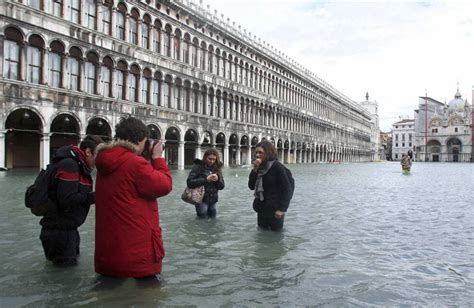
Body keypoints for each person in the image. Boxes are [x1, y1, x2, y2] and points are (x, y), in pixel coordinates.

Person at [94, 117, 172, 282]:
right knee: (149, 296)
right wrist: (157, 158)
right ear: (139, 139)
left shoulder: (105, 161)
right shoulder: (134, 163)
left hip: (109, 251)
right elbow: (164, 185)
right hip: (137, 252)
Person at [39, 134, 104, 266]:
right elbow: (66, 199)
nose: (99, 161)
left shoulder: (76, 165)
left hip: (67, 231)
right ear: (88, 152)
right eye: (99, 156)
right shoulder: (70, 165)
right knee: (63, 276)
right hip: (59, 234)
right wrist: (96, 196)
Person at [248, 140, 292, 231]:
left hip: (275, 211)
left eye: (260, 152)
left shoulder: (277, 167)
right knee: (261, 236)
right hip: (262, 209)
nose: (257, 155)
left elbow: (288, 189)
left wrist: (282, 209)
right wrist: (254, 170)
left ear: (268, 153)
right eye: (256, 152)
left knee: (276, 238)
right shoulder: (259, 168)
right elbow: (251, 186)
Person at [186, 148, 225, 218]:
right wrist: (206, 180)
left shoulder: (217, 168)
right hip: (201, 199)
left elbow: (222, 186)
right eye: (210, 159)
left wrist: (217, 180)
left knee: (213, 220)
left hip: (213, 200)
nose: (212, 161)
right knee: (202, 221)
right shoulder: (198, 166)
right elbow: (189, 182)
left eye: (214, 159)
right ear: (205, 157)